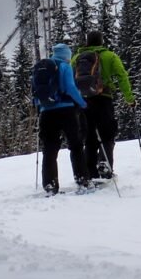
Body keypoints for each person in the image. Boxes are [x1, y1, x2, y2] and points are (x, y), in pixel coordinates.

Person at [72, 30, 135, 179]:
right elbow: (122, 75)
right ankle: (105, 164)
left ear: (87, 42)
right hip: (104, 98)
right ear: (101, 41)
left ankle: (90, 172)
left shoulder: (76, 58)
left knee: (89, 137)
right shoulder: (109, 56)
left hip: (84, 101)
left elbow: (70, 80)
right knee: (108, 133)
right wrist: (129, 98)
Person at [35, 42, 89, 195]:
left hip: (46, 113)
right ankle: (82, 180)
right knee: (76, 146)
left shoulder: (42, 67)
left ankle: (50, 185)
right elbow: (70, 88)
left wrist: (42, 107)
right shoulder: (65, 67)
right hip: (66, 111)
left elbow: (36, 93)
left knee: (50, 150)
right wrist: (82, 103)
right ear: (67, 55)